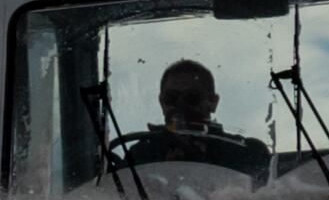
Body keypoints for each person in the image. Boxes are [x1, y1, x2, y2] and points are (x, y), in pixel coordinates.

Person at [116, 57, 273, 177]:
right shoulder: (141, 155)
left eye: (192, 98)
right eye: (171, 98)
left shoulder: (245, 153)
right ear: (161, 102)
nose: (180, 106)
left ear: (213, 102)